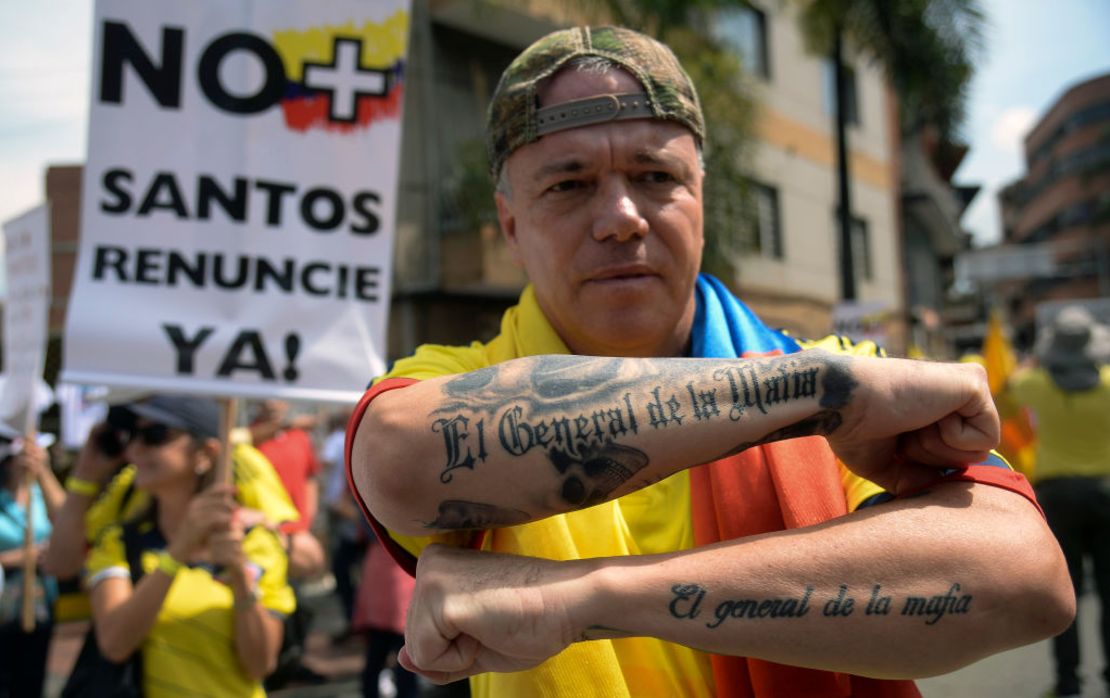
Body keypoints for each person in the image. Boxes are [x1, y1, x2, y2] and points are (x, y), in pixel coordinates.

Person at [346, 25, 1075, 697]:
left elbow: (1026, 577)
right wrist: (819, 393)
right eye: (568, 186)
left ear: (700, 196)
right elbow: (399, 465)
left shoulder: (842, 371)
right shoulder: (836, 387)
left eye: (656, 177)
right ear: (511, 222)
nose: (621, 217)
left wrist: (583, 599)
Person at [83, 394, 294, 696]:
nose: (134, 450)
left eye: (154, 435)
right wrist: (179, 550)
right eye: (132, 436)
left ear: (205, 453)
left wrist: (238, 574)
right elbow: (115, 643)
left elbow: (260, 665)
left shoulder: (256, 541)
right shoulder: (118, 542)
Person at [1009, 305, 1110, 698]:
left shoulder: (1035, 383)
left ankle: (1068, 682)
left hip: (1057, 495)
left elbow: (1010, 381)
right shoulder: (1108, 383)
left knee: (1065, 593)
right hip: (1105, 492)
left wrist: (1040, 355)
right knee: (1109, 591)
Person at [0, 428, 63, 698]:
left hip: (41, 603)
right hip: (3, 601)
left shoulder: (40, 493)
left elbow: (66, 520)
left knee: (31, 680)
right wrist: (13, 559)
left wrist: (44, 473)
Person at [249, 400, 325, 579]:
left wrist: (306, 522)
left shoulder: (300, 436)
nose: (273, 404)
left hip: (296, 530)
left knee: (309, 565)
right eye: (268, 399)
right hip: (264, 529)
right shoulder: (249, 436)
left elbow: (310, 478)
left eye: (279, 399)